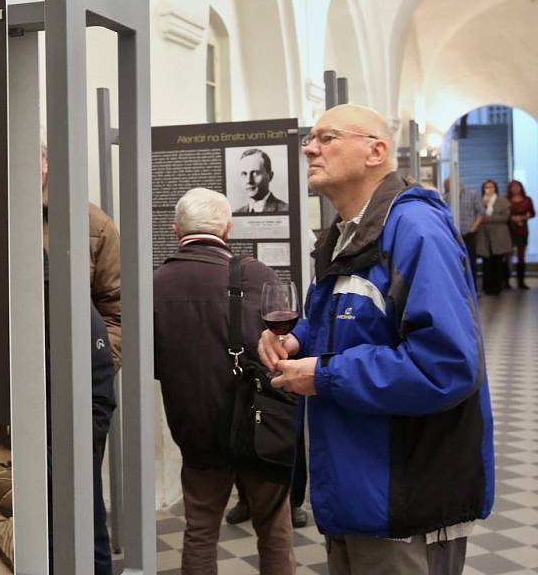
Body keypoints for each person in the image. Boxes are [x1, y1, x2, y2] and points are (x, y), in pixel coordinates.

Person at [258, 104, 494, 575]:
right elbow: (350, 319)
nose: (308, 147)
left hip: (404, 500)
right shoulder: (347, 234)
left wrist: (323, 375)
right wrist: (297, 343)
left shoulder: (414, 229)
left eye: (327, 137)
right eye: (311, 138)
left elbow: (445, 364)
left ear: (376, 151)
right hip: (356, 491)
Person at [154, 187, 295, 575]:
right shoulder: (255, 275)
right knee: (274, 530)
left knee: (199, 531)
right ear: (228, 228)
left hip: (195, 427)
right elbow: (280, 348)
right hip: (259, 424)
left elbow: (151, 363)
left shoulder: (155, 284)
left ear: (175, 229)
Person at [43, 250, 117, 575]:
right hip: (42, 449)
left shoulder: (68, 303)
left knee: (87, 533)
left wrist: (80, 444)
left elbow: (99, 388)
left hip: (70, 444)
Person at [41, 142, 122, 370]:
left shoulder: (93, 225)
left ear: (46, 163)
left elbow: (117, 311)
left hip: (68, 379)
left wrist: (94, 372)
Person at [442, 177, 484, 287]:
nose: (445, 187)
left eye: (446, 184)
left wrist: (473, 228)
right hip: (452, 235)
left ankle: (473, 287)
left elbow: (481, 213)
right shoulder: (445, 197)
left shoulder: (472, 195)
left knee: (471, 261)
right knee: (455, 262)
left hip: (469, 234)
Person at [476, 179, 512, 295]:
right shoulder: (479, 201)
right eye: (486, 187)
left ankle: (497, 287)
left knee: (498, 262)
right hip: (484, 236)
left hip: (499, 235)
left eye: (491, 187)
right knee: (486, 262)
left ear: (495, 188)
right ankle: (487, 287)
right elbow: (477, 216)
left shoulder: (503, 200)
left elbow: (505, 218)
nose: (489, 189)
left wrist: (486, 219)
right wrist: (485, 206)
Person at [234, 148, 289, 213]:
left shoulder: (286, 210)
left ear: (270, 176)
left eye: (255, 173)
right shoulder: (237, 213)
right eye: (244, 174)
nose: (248, 181)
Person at [506, 179, 535, 289]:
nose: (515, 189)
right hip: (509, 230)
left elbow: (532, 213)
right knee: (507, 255)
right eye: (513, 187)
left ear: (521, 187)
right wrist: (512, 218)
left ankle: (521, 282)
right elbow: (503, 213)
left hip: (522, 229)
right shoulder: (506, 199)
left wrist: (523, 217)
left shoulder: (527, 200)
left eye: (517, 186)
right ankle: (506, 281)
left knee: (521, 256)